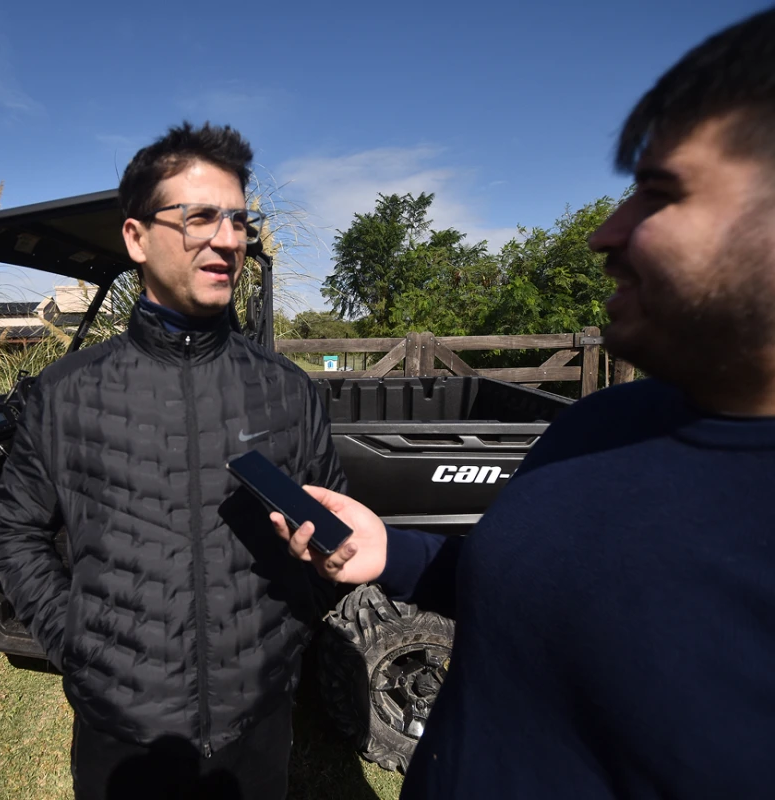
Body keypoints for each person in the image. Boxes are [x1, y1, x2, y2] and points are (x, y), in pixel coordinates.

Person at [273, 7, 775, 798]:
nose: (602, 235)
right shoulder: (597, 425)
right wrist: (393, 554)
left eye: (658, 194)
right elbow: (520, 578)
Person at [0, 121, 347, 800]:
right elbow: (13, 531)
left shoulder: (289, 391)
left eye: (240, 219)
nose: (229, 239)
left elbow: (333, 530)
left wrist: (287, 635)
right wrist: (78, 646)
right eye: (201, 216)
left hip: (258, 732)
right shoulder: (68, 394)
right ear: (136, 237)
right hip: (121, 739)